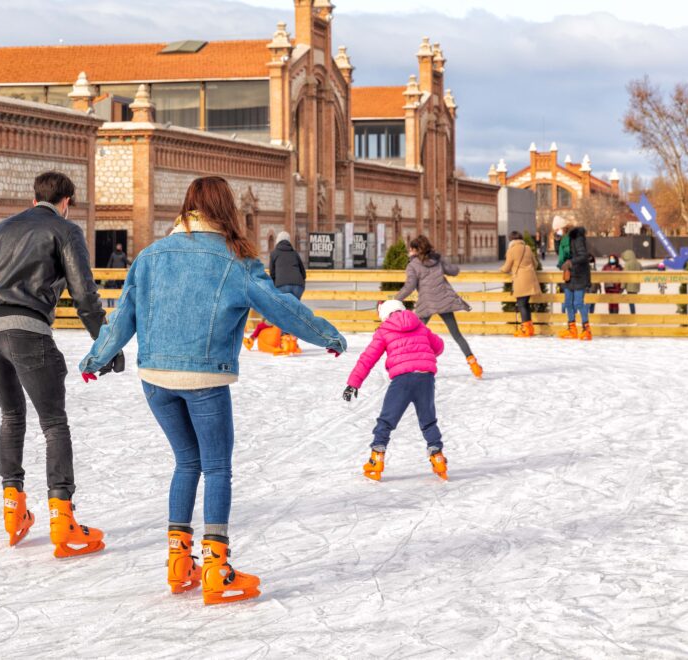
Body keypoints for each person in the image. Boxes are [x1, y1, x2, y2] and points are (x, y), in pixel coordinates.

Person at [79, 176, 347, 605]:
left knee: (187, 463)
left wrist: (96, 360)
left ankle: (177, 562)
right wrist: (326, 335)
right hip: (204, 380)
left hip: (155, 380)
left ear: (187, 208)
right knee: (217, 468)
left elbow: (122, 317)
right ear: (226, 210)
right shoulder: (235, 261)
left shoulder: (150, 256)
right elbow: (280, 305)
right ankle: (217, 568)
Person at [0, 171, 110, 556]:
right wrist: (105, 343)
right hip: (26, 329)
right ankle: (64, 519)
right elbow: (84, 293)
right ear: (67, 201)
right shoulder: (64, 230)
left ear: (34, 197)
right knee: (54, 422)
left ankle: (14, 510)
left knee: (12, 416)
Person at [343, 300, 448, 481]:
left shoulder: (384, 330)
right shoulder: (419, 324)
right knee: (428, 420)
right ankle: (438, 457)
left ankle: (377, 459)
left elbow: (368, 358)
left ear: (384, 315)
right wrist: (421, 354)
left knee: (386, 420)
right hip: (425, 377)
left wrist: (353, 383)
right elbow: (438, 346)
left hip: (403, 380)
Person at [395, 235, 483, 378]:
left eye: (410, 249)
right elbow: (454, 271)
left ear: (415, 250)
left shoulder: (413, 265)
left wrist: (394, 300)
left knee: (415, 335)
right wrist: (442, 260)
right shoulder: (437, 260)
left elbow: (409, 287)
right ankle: (474, 364)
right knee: (457, 335)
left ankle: (415, 365)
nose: (408, 251)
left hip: (427, 304)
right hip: (444, 301)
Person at [244, 231, 308, 354]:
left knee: (282, 313)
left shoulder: (274, 253)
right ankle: (292, 340)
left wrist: (274, 289)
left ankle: (285, 341)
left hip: (282, 285)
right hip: (298, 286)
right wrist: (300, 284)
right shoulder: (294, 253)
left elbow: (272, 274)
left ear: (277, 241)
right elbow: (303, 273)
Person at [500, 231, 541, 337]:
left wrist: (501, 269)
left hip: (520, 280)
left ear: (511, 240)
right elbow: (536, 264)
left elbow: (507, 267)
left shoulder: (511, 250)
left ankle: (525, 329)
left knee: (521, 304)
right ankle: (529, 328)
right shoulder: (527, 248)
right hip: (531, 279)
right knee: (526, 304)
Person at [558, 226, 592, 340]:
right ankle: (572, 329)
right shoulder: (564, 240)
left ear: (565, 229)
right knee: (568, 303)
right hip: (569, 275)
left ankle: (586, 329)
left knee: (578, 303)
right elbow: (560, 254)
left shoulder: (577, 238)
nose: (558, 231)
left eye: (559, 229)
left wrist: (570, 262)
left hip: (580, 275)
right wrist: (556, 240)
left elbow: (584, 256)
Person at [104, 242, 130, 307]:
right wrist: (107, 271)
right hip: (114, 273)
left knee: (119, 286)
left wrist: (133, 264)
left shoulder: (123, 254)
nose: (118, 248)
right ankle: (111, 303)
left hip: (120, 273)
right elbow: (110, 262)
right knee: (112, 285)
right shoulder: (113, 254)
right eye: (117, 246)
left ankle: (119, 301)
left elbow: (126, 261)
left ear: (121, 248)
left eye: (119, 247)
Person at [621, 250, 641, 314]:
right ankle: (633, 315)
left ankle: (632, 316)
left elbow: (625, 276)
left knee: (631, 302)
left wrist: (622, 287)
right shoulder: (638, 263)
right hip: (636, 285)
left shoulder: (627, 264)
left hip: (629, 286)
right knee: (632, 301)